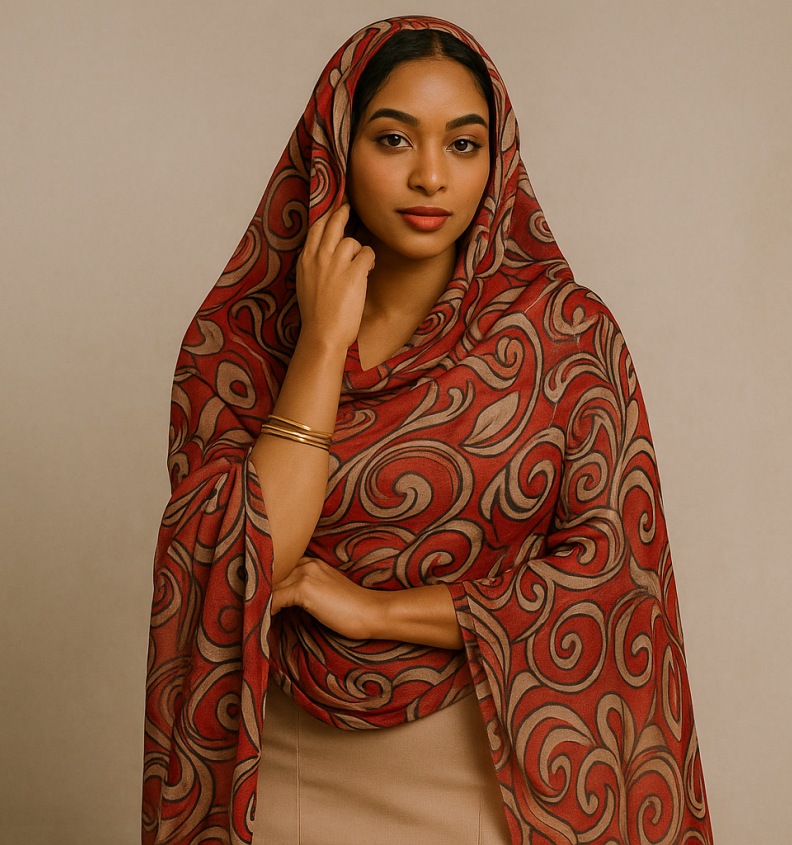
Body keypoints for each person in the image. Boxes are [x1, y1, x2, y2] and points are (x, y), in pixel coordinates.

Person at [142, 15, 712, 845]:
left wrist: (378, 612)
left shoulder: (562, 337)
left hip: (494, 773)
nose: (431, 176)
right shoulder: (238, 345)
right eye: (393, 139)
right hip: (293, 775)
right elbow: (243, 559)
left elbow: (610, 581)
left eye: (464, 144)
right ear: (335, 150)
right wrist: (322, 344)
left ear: (498, 160)